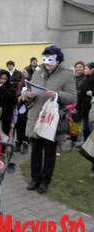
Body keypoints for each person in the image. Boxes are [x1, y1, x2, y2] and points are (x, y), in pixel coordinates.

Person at [25, 45, 76, 194]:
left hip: (51, 119)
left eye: (51, 59)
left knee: (49, 152)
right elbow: (29, 91)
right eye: (45, 58)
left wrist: (56, 95)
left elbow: (73, 97)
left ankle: (45, 182)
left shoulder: (66, 75)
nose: (47, 62)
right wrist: (28, 95)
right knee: (35, 151)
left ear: (58, 60)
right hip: (36, 117)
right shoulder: (38, 71)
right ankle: (35, 179)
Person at [0, 70, 17, 139]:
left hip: (6, 116)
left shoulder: (10, 86)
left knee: (3, 136)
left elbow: (13, 100)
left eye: (5, 79)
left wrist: (2, 89)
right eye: (1, 78)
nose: (3, 80)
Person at [15, 67, 34, 153]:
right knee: (19, 125)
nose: (23, 73)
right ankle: (18, 142)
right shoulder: (21, 82)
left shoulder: (32, 82)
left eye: (25, 72)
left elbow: (33, 94)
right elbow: (18, 92)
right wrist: (20, 96)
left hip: (28, 106)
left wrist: (26, 97)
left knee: (25, 126)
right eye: (23, 72)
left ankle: (25, 143)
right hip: (20, 105)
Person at [75, 62, 94, 141]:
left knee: (91, 127)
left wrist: (92, 93)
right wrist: (77, 107)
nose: (84, 70)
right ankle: (85, 145)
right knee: (85, 127)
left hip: (91, 107)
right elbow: (81, 95)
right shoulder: (85, 79)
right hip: (85, 107)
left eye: (86, 69)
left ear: (92, 70)